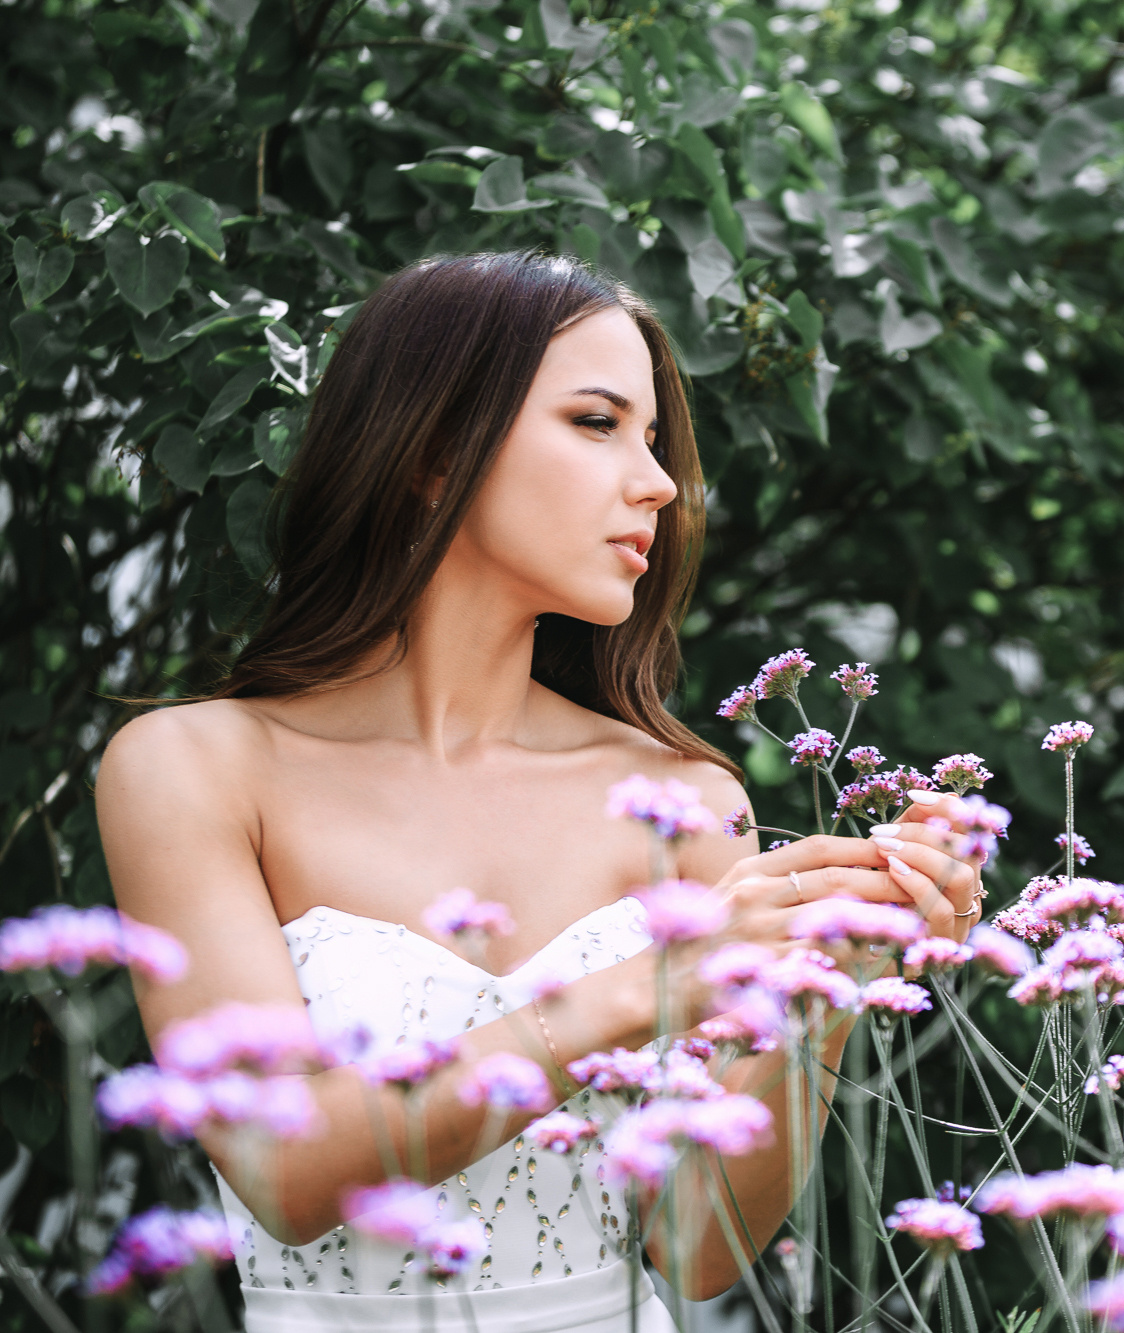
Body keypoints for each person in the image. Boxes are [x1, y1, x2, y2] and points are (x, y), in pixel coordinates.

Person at [94, 252, 983, 1332]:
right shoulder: (194, 767)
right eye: (598, 422)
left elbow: (693, 1249)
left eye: (653, 441)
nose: (657, 481)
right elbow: (283, 1171)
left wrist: (821, 999)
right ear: (430, 451)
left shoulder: (682, 795)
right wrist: (655, 986)